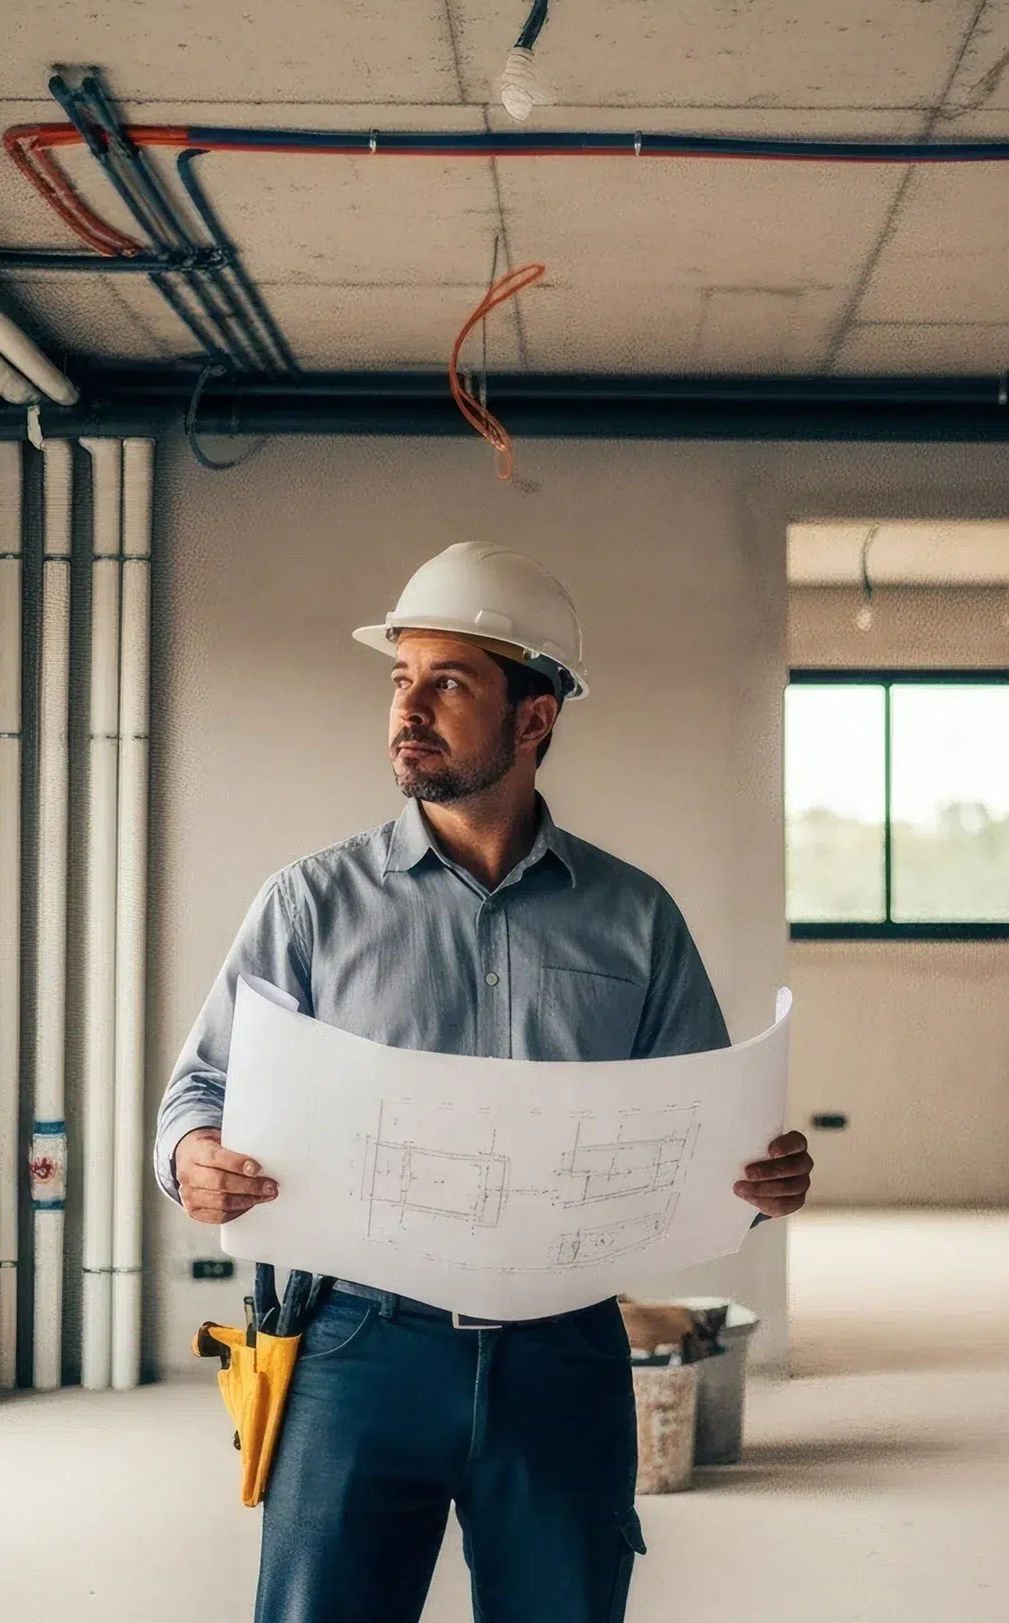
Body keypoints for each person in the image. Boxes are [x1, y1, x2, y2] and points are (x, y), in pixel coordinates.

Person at [152, 540, 811, 1623]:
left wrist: (761, 1176)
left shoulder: (634, 918)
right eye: (400, 679)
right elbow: (198, 1092)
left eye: (449, 683)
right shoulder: (310, 905)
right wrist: (194, 1157)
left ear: (534, 717)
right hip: (354, 1348)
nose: (408, 709)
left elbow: (704, 1135)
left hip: (564, 1353)